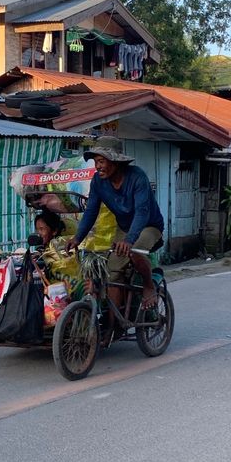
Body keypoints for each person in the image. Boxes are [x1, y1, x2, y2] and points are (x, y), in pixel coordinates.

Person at [66, 136, 164, 335]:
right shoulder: (98, 181)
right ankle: (113, 325)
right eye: (96, 162)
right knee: (112, 272)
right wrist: (77, 238)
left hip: (149, 225)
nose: (98, 167)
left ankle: (148, 286)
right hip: (125, 227)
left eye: (101, 161)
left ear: (116, 162)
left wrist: (129, 241)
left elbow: (142, 212)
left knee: (134, 251)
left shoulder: (137, 177)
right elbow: (91, 211)